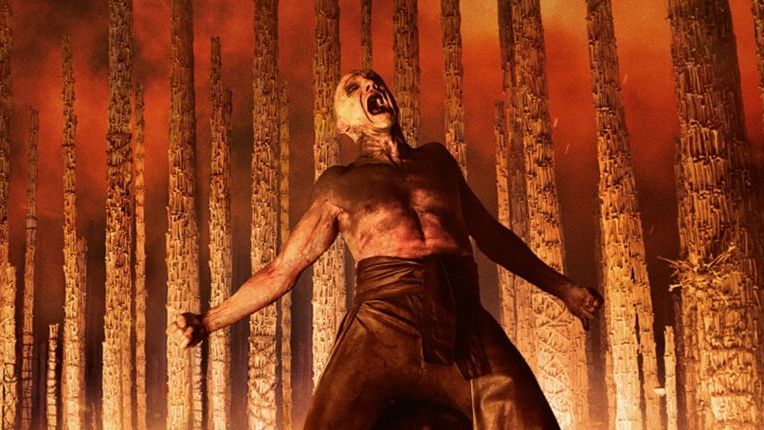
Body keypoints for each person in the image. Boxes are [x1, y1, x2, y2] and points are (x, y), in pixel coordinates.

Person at [169, 69, 603, 429]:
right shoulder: (339, 184)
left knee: (530, 420)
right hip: (379, 326)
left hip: (462, 322)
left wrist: (563, 289)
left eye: (375, 81)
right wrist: (208, 321)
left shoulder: (437, 162)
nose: (371, 86)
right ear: (344, 125)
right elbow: (282, 270)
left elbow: (491, 235)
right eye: (354, 88)